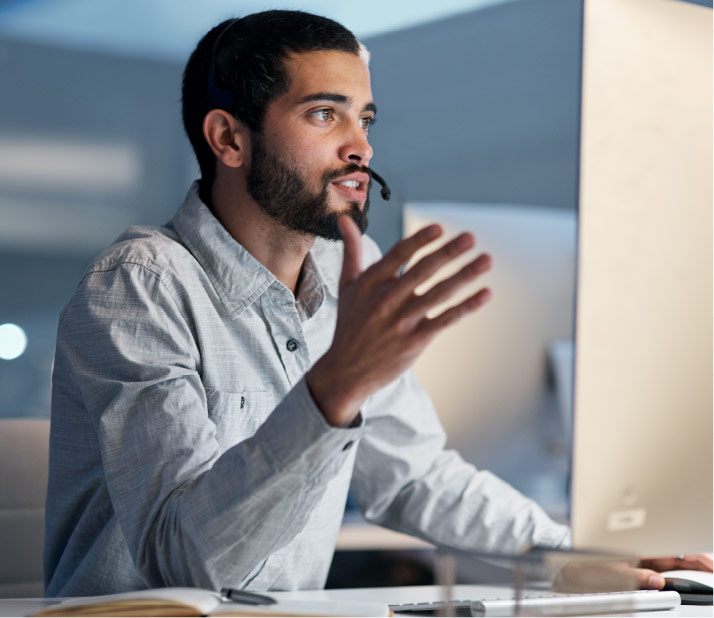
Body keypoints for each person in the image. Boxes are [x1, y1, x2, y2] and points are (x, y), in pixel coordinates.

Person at [44, 10, 711, 597]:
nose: (360, 146)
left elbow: (415, 478)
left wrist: (574, 557)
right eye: (324, 114)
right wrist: (336, 386)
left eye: (365, 119)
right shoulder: (139, 286)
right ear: (230, 139)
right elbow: (183, 563)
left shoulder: (339, 282)